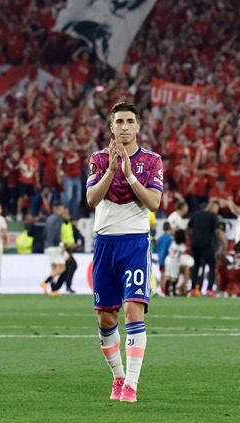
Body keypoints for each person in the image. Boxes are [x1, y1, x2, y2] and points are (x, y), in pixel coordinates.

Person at [86, 102, 163, 403]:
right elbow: (92, 199)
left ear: (138, 126)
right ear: (112, 127)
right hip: (105, 242)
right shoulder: (98, 158)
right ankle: (118, 378)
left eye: (130, 121)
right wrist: (112, 171)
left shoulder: (152, 161)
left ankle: (131, 384)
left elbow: (154, 203)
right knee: (106, 317)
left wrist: (130, 176)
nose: (125, 126)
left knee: (134, 309)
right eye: (119, 121)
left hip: (134, 242)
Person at [188, 200, 224, 296]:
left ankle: (193, 289)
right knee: (212, 266)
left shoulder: (196, 214)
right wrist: (224, 242)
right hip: (206, 244)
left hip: (195, 244)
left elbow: (188, 228)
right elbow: (217, 232)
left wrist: (191, 239)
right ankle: (209, 289)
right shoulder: (213, 216)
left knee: (196, 265)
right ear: (214, 207)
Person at [40, 202, 66, 296]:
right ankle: (45, 282)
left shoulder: (49, 218)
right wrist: (61, 244)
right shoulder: (58, 219)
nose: (63, 210)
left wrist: (46, 243)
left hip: (47, 245)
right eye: (62, 209)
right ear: (58, 209)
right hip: (55, 245)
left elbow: (45, 233)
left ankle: (53, 290)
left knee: (54, 268)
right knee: (62, 268)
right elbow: (57, 232)